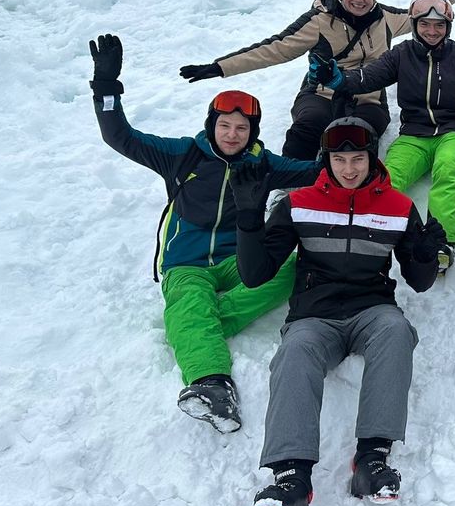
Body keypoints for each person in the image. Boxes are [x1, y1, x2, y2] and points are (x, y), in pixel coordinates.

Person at [89, 34, 317, 433]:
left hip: (237, 258)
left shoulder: (262, 164)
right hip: (186, 262)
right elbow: (120, 137)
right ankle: (211, 383)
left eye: (241, 127)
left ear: (253, 131)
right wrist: (107, 86)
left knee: (294, 268)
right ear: (211, 126)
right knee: (190, 298)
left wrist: (358, 160)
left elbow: (314, 173)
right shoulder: (182, 155)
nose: (232, 134)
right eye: (225, 125)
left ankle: (195, 327)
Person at [235, 117, 446, 506]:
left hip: (372, 310)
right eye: (339, 159)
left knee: (396, 331)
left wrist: (426, 254)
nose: (349, 169)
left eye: (357, 159)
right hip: (315, 316)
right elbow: (256, 274)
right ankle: (291, 478)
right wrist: (248, 219)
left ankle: (371, 460)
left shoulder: (398, 207)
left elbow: (420, 283)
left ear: (372, 158)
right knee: (294, 351)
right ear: (326, 160)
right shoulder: (300, 202)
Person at [178, 0, 455, 160]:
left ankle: (352, 192)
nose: (360, 0)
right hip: (321, 91)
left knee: (360, 134)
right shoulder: (319, 22)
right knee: (309, 125)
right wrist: (221, 67)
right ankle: (286, 188)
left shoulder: (385, 18)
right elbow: (276, 47)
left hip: (368, 96)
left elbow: (421, 13)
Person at [312, 0, 455, 271]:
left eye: (439, 25)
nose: (432, 31)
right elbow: (370, 76)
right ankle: (367, 230)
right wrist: (340, 80)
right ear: (414, 25)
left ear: (448, 27)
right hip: (414, 134)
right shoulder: (402, 54)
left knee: (448, 168)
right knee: (389, 176)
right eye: (425, 24)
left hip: (453, 133)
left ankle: (441, 241)